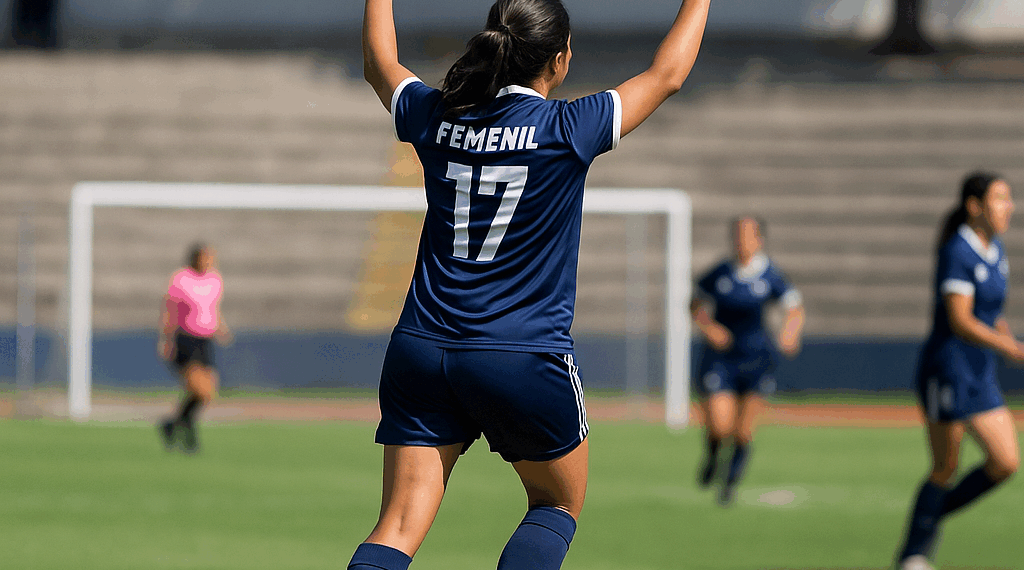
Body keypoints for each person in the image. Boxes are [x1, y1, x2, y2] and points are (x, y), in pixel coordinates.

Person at [352, 0, 710, 568]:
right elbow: (666, 75)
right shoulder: (567, 127)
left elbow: (379, 62)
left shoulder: (438, 115)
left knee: (396, 525)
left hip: (422, 347)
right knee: (555, 502)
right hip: (521, 354)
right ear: (560, 59)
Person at [896, 172, 1021, 570]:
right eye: (1000, 199)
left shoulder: (994, 248)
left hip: (979, 372)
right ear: (974, 206)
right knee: (945, 467)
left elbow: (990, 311)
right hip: (947, 370)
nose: (1009, 207)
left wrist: (1004, 333)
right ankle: (913, 556)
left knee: (1005, 463)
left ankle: (930, 517)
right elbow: (961, 321)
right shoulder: (958, 251)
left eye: (1009, 198)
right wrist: (1011, 348)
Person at [690, 217, 805, 506]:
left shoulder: (769, 275)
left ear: (759, 240)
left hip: (757, 359)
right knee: (719, 425)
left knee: (743, 430)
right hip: (721, 360)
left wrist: (790, 334)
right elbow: (694, 303)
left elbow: (794, 308)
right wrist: (710, 328)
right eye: (738, 235)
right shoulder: (721, 272)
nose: (742, 241)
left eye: (748, 235)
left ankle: (729, 485)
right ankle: (714, 454)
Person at [157, 243, 231, 454]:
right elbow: (170, 310)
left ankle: (173, 425)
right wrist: (166, 339)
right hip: (185, 339)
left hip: (205, 340)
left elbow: (213, 308)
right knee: (199, 388)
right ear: (197, 258)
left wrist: (221, 328)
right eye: (207, 257)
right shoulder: (181, 279)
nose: (211, 261)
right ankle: (186, 428)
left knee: (208, 393)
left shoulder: (215, 280)